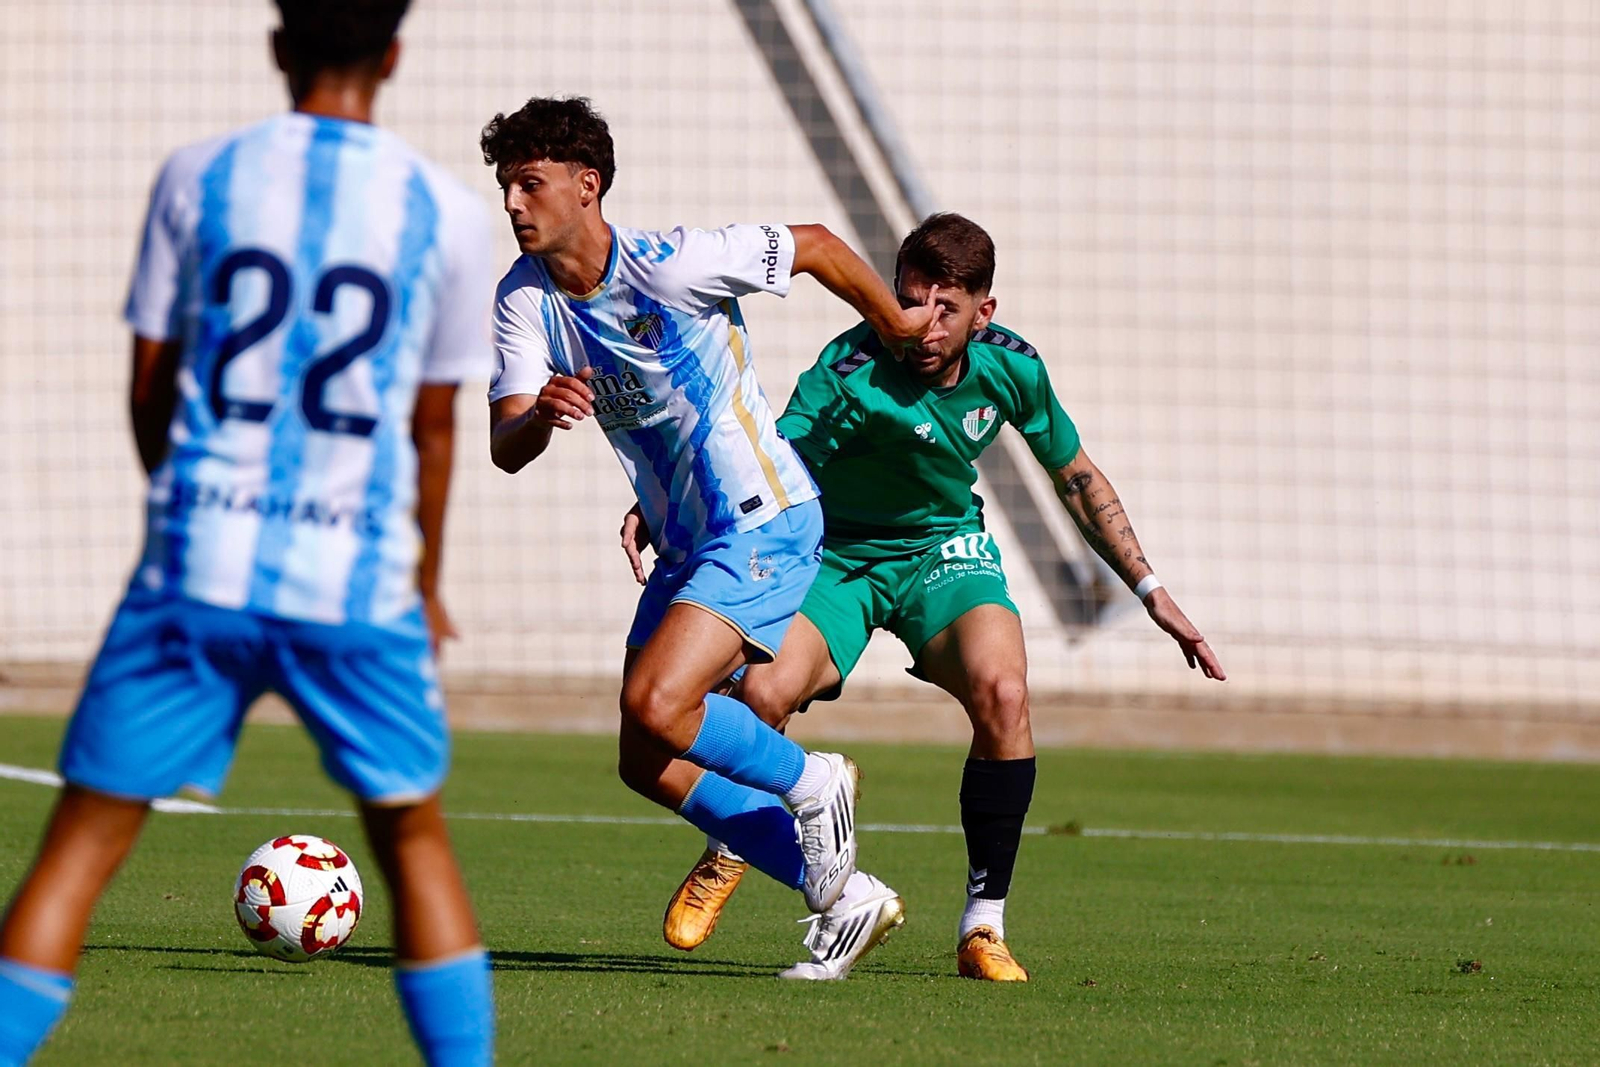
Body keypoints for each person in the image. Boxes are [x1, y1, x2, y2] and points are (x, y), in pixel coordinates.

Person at [0, 3, 496, 1063]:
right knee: (413, 843)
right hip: (357, 579)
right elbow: (434, 425)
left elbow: (149, 383)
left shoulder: (198, 175)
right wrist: (428, 572)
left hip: (199, 563)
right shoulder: (445, 213)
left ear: (277, 46)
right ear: (395, 56)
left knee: (77, 849)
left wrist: (188, 505)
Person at [626, 212, 1226, 981]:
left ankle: (983, 926)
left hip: (945, 550)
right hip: (838, 556)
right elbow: (763, 459)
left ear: (986, 310)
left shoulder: (1012, 368)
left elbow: (1074, 474)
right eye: (910, 299)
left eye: (947, 307)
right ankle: (733, 842)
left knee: (1005, 691)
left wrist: (1149, 587)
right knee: (763, 691)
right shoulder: (848, 370)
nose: (922, 322)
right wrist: (669, 500)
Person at [482, 97, 946, 978]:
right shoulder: (522, 299)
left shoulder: (671, 264)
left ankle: (814, 782)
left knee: (661, 702)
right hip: (688, 541)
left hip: (762, 517)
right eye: (506, 185)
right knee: (646, 756)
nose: (512, 201)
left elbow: (811, 242)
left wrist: (892, 321)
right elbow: (506, 446)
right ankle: (847, 897)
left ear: (588, 186)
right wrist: (541, 413)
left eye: (529, 182)